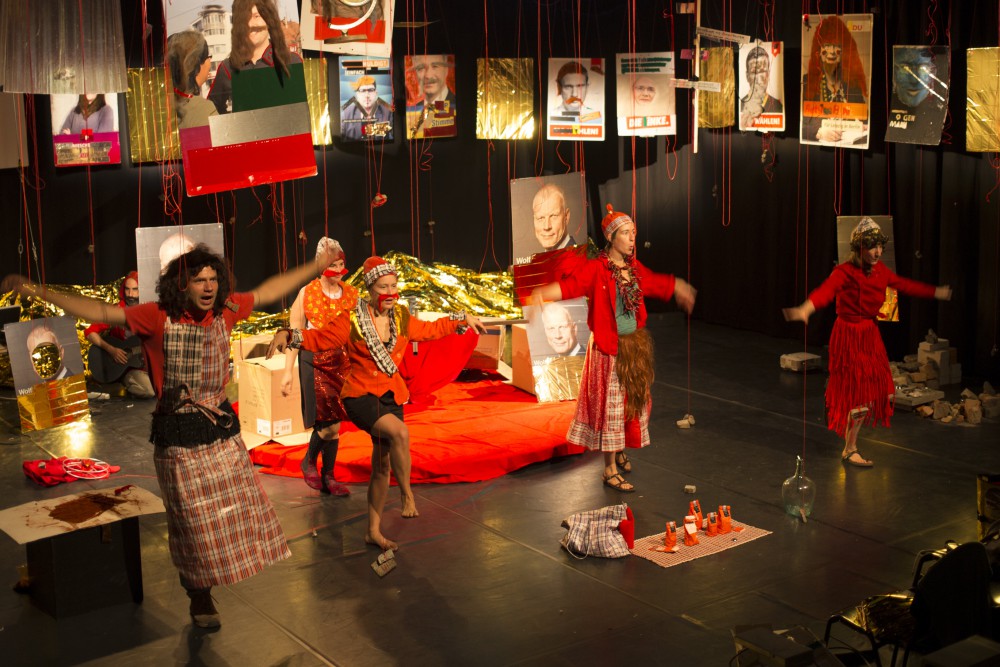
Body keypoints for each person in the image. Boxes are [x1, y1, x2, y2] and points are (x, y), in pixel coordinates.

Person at [3, 243, 337, 628]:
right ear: (182, 285)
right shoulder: (156, 316)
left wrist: (315, 266)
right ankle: (199, 594)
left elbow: (268, 290)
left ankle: (222, 569)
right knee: (191, 524)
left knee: (233, 513)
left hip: (220, 431)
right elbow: (100, 313)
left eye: (213, 279)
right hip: (177, 435)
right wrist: (37, 290)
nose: (208, 287)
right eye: (199, 280)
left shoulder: (227, 309)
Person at [267, 256, 487, 550]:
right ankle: (407, 494)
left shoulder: (401, 317)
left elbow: (429, 330)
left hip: (391, 395)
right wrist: (289, 334)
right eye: (384, 287)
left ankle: (373, 531)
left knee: (382, 465)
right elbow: (320, 338)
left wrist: (461, 318)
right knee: (400, 433)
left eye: (394, 286)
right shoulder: (351, 320)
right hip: (361, 396)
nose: (391, 292)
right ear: (371, 289)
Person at [531, 205, 696, 492]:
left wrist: (677, 286)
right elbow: (572, 286)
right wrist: (543, 292)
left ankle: (619, 449)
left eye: (634, 233)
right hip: (609, 350)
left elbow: (653, 283)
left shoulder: (633, 268)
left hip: (633, 348)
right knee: (611, 409)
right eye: (626, 234)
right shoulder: (597, 268)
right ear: (611, 237)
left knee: (632, 404)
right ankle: (609, 471)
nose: (632, 239)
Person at [783, 217, 952, 467]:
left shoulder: (881, 271)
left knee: (877, 389)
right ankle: (850, 448)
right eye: (872, 246)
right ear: (859, 248)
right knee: (858, 394)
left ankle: (846, 428)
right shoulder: (844, 272)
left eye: (880, 246)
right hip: (848, 334)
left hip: (870, 334)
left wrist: (935, 292)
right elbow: (826, 291)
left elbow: (905, 285)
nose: (878, 252)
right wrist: (806, 308)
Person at [281, 238, 358, 496]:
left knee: (334, 423)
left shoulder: (351, 294)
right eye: (332, 265)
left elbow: (358, 333)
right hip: (314, 360)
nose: (338, 271)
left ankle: (328, 476)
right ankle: (311, 462)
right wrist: (287, 373)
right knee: (328, 423)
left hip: (341, 362)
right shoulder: (307, 293)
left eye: (340, 264)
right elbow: (295, 335)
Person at [208, 0, 301, 115]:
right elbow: (211, 109)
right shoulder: (228, 68)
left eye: (256, 16)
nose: (250, 24)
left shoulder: (292, 61)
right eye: (244, 18)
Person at [84, 271, 154, 398]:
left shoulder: (149, 311)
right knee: (149, 391)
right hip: (125, 367)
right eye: (127, 289)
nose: (130, 294)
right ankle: (122, 380)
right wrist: (111, 350)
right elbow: (90, 332)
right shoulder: (116, 311)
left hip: (145, 364)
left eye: (135, 290)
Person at [801, 15, 869, 144]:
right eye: (827, 45)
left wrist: (861, 125)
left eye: (837, 46)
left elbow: (864, 119)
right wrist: (819, 132)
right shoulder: (808, 81)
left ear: (844, 52)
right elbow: (801, 124)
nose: (832, 51)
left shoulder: (852, 84)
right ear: (819, 52)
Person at [887, 47, 947, 142]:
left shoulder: (940, 114)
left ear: (933, 73)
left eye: (923, 68)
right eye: (905, 68)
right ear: (894, 73)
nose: (914, 81)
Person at [167, 30, 218, 130]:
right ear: (196, 64)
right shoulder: (204, 109)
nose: (210, 62)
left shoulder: (158, 106)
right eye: (208, 56)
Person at [406, 54, 456, 138]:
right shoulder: (414, 111)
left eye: (435, 66)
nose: (428, 76)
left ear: (446, 70)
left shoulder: (456, 105)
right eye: (421, 68)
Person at [739, 45, 783, 130]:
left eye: (762, 71)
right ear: (747, 76)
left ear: (768, 74)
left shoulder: (778, 107)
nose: (758, 78)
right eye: (754, 72)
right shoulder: (741, 106)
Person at [341, 75, 393, 140]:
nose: (367, 95)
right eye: (362, 91)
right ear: (357, 94)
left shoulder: (387, 112)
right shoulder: (346, 114)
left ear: (376, 93)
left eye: (370, 90)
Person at [532, 184, 577, 252]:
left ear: (566, 217)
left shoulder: (579, 256)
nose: (547, 227)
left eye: (553, 216)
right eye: (540, 218)